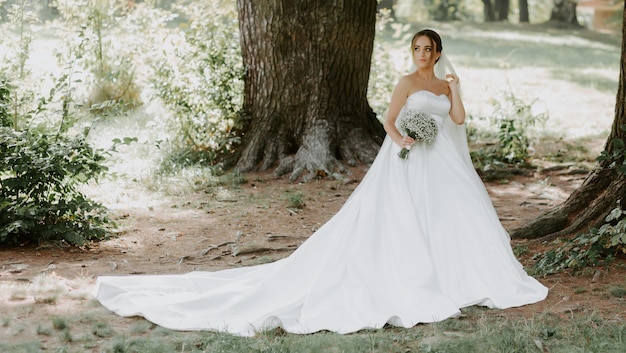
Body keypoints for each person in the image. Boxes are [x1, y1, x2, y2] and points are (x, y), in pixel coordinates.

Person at [95, 29, 548, 336]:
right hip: (407, 156)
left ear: (439, 52)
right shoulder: (406, 81)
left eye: (429, 49)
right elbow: (389, 122)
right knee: (403, 217)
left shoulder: (447, 85)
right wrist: (405, 140)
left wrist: (458, 88)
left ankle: (456, 272)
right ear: (412, 53)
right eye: (417, 49)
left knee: (453, 215)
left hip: (442, 161)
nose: (423, 55)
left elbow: (460, 120)